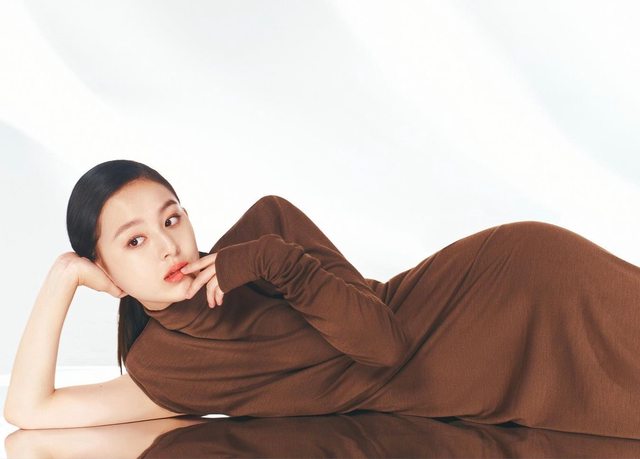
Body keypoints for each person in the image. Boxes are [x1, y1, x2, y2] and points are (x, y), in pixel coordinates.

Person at [5, 159, 640, 441]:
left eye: (172, 218)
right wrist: (62, 277)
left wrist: (271, 259)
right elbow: (28, 410)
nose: (168, 245)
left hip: (514, 288)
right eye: (135, 240)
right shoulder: (164, 370)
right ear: (105, 268)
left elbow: (382, 341)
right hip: (497, 381)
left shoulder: (266, 231)